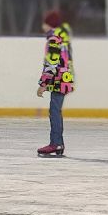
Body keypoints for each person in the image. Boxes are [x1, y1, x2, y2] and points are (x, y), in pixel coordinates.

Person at [35, 9, 74, 157]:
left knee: (55, 111)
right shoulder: (61, 38)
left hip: (58, 80)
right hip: (63, 79)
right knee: (55, 111)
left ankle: (56, 143)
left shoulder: (54, 39)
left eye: (44, 23)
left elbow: (51, 63)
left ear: (49, 24)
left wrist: (43, 84)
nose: (42, 26)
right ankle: (58, 143)